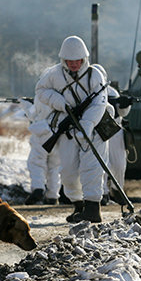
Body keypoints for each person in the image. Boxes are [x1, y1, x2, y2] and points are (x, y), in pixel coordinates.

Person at [35, 35, 108, 223]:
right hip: (68, 128)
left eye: (77, 60)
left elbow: (100, 103)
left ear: (83, 59)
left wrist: (88, 123)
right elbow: (41, 91)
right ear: (63, 59)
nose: (74, 64)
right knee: (67, 171)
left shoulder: (94, 75)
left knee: (92, 168)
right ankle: (78, 205)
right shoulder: (54, 74)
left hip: (94, 129)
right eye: (70, 60)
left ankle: (93, 208)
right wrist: (59, 102)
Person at [92, 69, 131, 206]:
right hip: (96, 130)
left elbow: (122, 113)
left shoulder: (112, 92)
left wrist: (125, 105)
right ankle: (103, 192)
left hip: (114, 129)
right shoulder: (88, 91)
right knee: (101, 163)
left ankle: (118, 189)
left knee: (119, 164)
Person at [23, 98, 61, 205]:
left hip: (42, 133)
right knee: (54, 167)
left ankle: (38, 189)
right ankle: (53, 196)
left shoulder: (43, 94)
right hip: (58, 134)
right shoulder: (62, 93)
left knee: (36, 163)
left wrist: (25, 104)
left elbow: (33, 114)